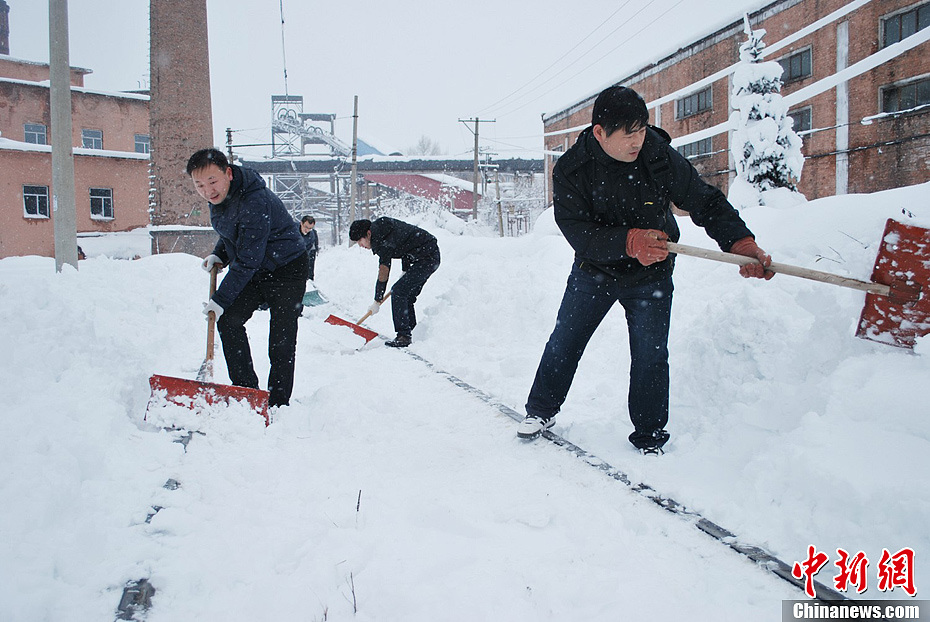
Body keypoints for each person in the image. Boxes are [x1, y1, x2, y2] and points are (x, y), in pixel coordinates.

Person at [518, 86, 774, 454]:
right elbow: (579, 232)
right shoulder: (573, 170)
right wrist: (628, 242)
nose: (637, 140)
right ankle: (540, 411)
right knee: (565, 341)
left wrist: (740, 243)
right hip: (596, 270)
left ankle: (650, 434)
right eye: (628, 133)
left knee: (651, 355)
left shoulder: (655, 153)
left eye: (642, 129)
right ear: (600, 133)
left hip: (651, 274)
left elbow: (703, 200)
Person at [188, 148, 308, 408]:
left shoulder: (254, 200)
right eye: (199, 185)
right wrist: (219, 253)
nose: (208, 191)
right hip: (257, 267)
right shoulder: (222, 198)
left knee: (281, 339)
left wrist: (220, 299)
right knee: (229, 321)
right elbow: (234, 233)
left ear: (228, 174)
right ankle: (247, 393)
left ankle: (277, 403)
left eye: (212, 181)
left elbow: (249, 257)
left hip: (287, 268)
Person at [348, 217, 440, 348]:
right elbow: (406, 243)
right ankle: (412, 331)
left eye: (360, 241)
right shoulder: (383, 230)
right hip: (425, 256)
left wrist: (377, 300)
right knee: (406, 295)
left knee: (398, 291)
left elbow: (384, 270)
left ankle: (403, 336)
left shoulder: (381, 238)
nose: (360, 245)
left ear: (368, 233)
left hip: (427, 258)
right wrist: (405, 270)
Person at [300, 215, 319, 280]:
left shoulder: (312, 235)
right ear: (301, 223)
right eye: (306, 227)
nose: (307, 230)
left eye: (310, 228)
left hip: (308, 252)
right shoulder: (293, 231)